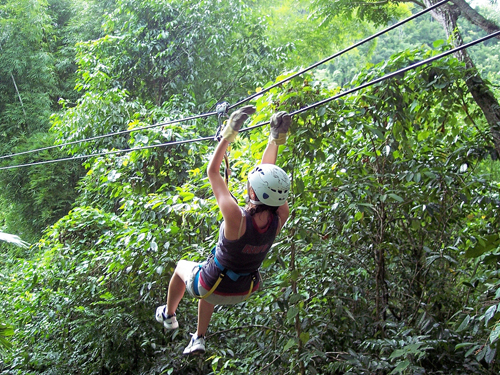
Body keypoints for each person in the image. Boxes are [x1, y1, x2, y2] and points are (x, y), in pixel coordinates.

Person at [155, 105, 291, 355]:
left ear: (252, 191)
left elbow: (213, 172)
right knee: (212, 277)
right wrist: (276, 139)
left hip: (213, 283)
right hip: (244, 289)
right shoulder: (281, 216)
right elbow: (270, 182)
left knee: (184, 268)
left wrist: (230, 132)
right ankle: (199, 337)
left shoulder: (235, 216)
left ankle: (168, 314)